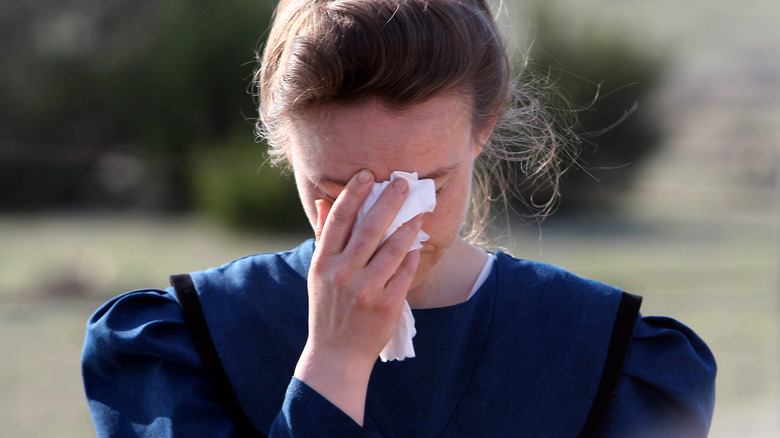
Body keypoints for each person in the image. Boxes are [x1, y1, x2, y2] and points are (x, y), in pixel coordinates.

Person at [81, 0, 716, 436]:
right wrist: (332, 362)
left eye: (426, 187)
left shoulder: (609, 355)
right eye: (341, 188)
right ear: (282, 143)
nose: (391, 225)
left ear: (483, 128)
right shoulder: (181, 344)